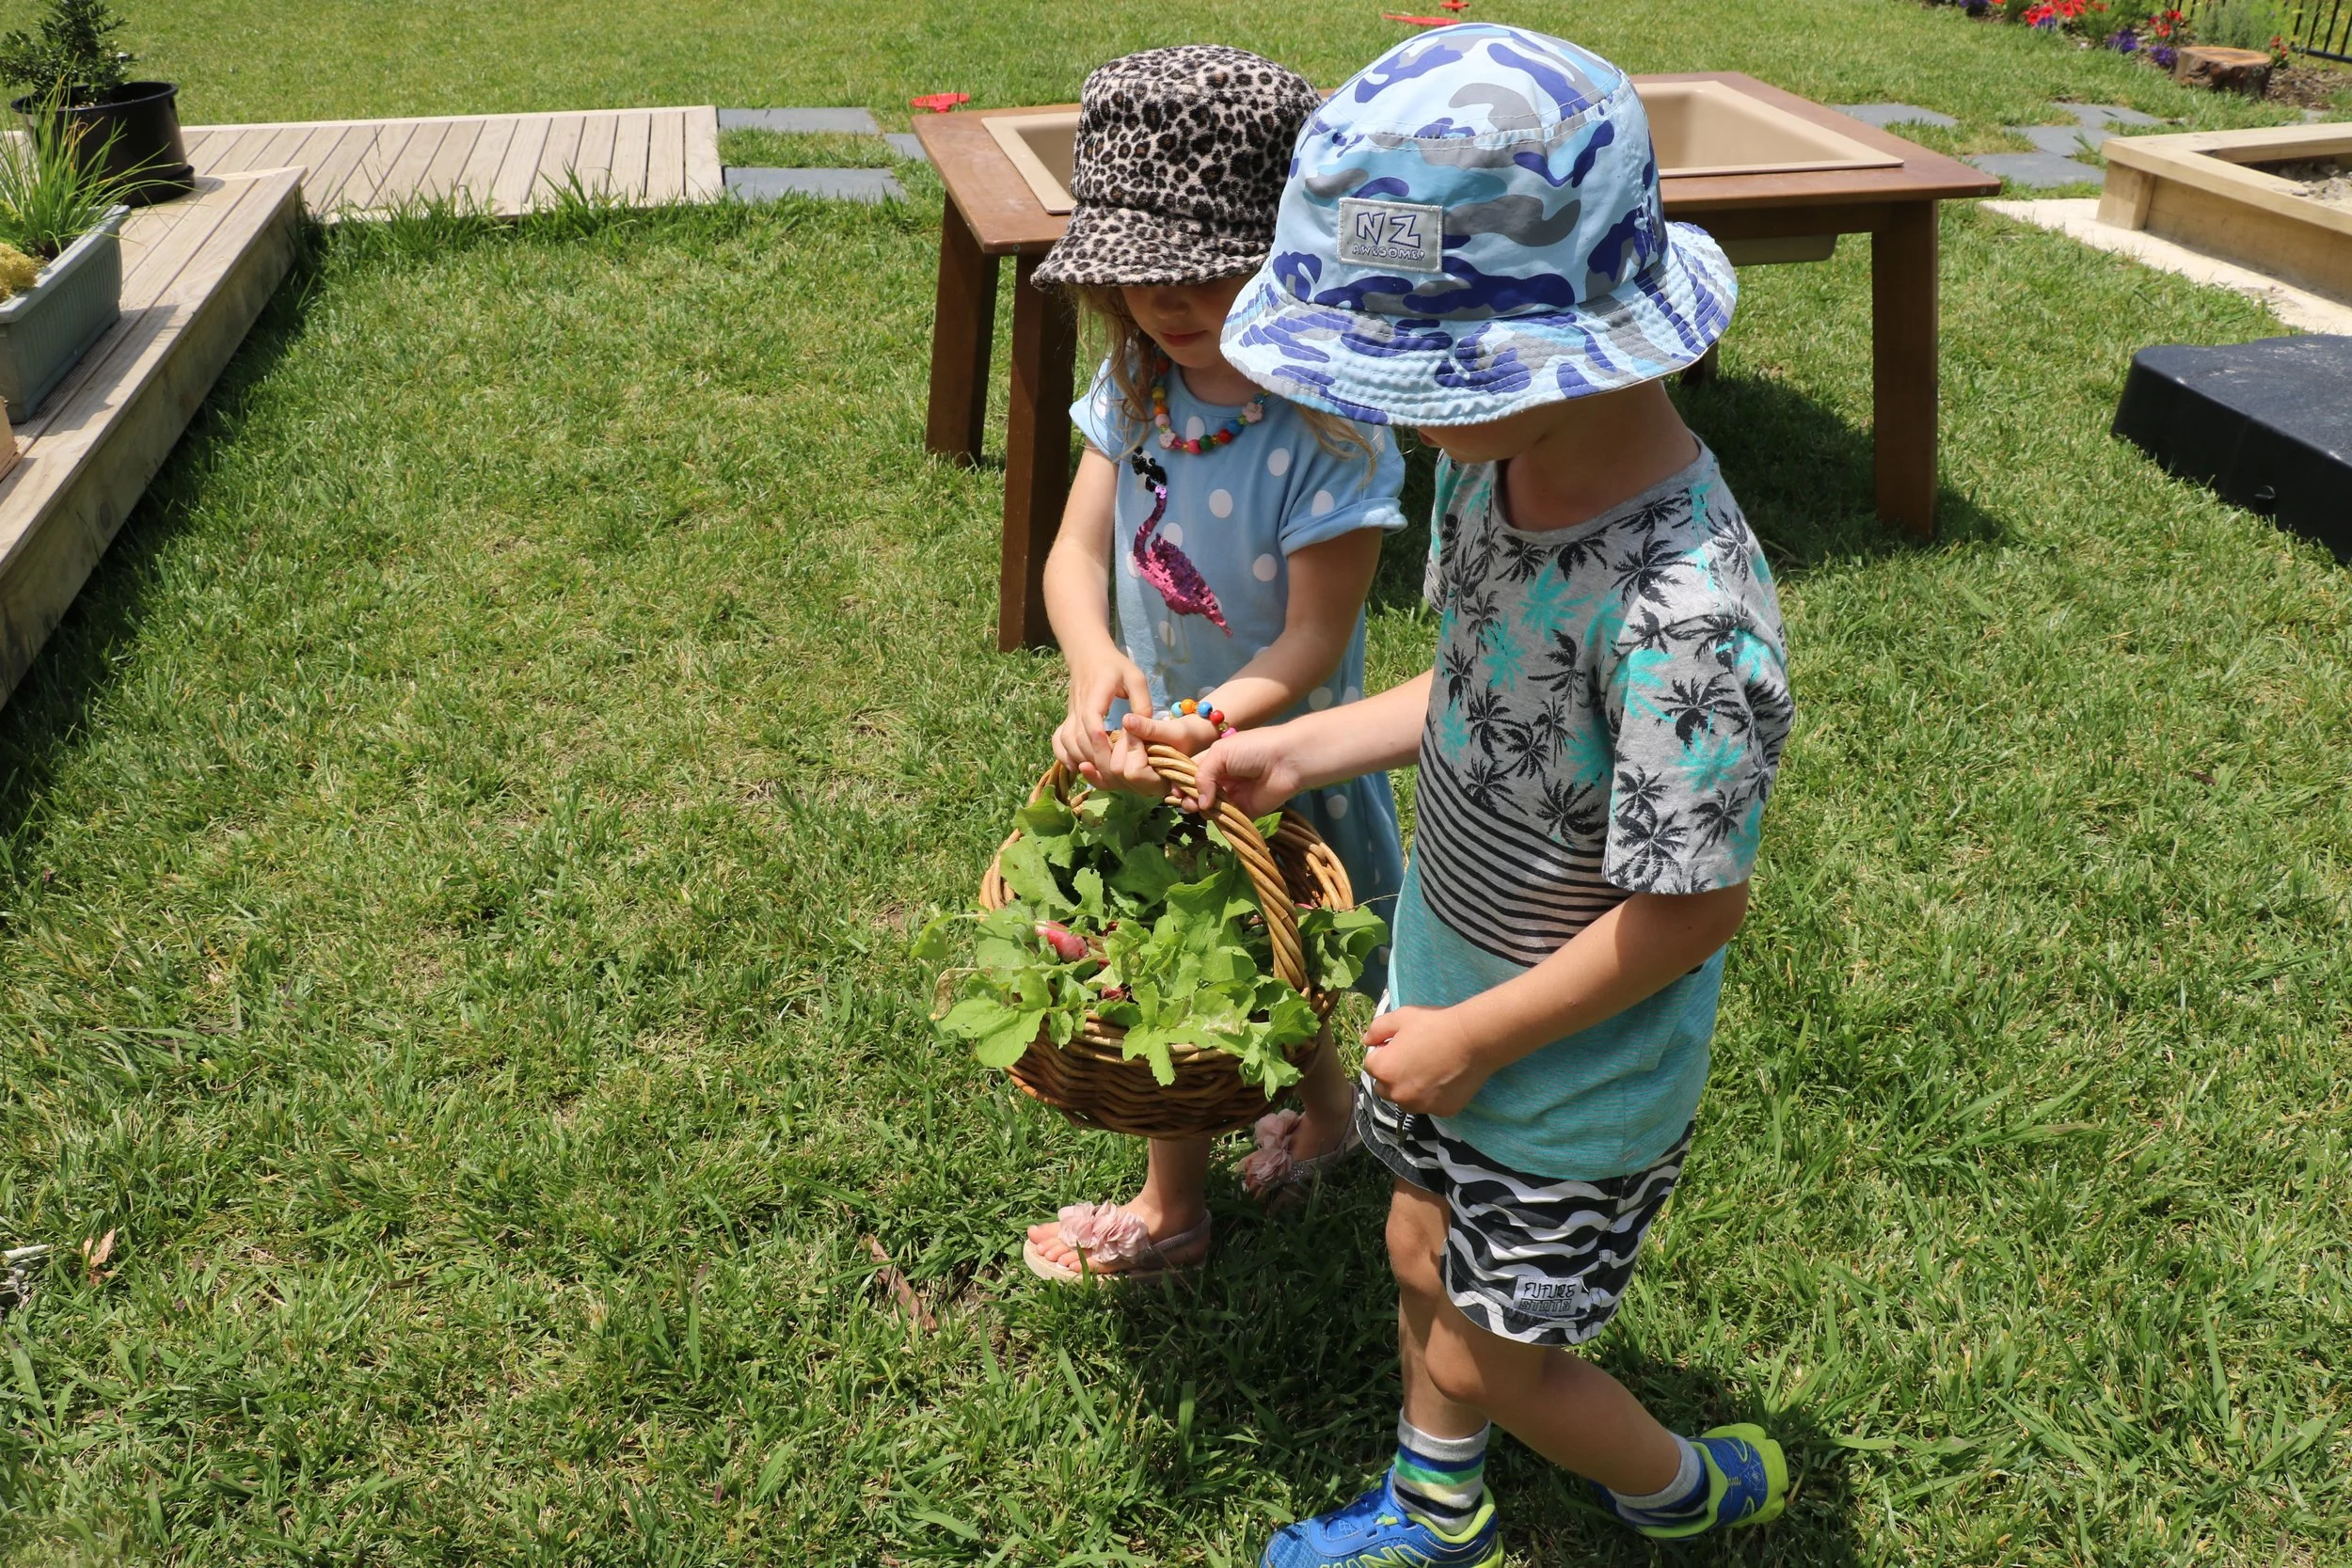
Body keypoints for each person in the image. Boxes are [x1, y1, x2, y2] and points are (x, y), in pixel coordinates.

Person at [1144, 25, 1799, 1561]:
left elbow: (1691, 905)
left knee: (1505, 1349)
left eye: (1422, 378)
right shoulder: (1498, 470)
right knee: (1418, 1253)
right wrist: (1293, 748)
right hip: (1448, 993)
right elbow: (1479, 687)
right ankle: (1436, 1509)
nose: (1392, 413)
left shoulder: (1686, 613)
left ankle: (1680, 1488)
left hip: (1564, 1071)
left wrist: (1473, 1039)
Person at [1020, 44, 1411, 1285]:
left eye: (1207, 268)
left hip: (1275, 755)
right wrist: (1095, 669)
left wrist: (1204, 723)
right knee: (1175, 961)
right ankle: (1214, 1173)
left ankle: (1178, 1208)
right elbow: (1074, 559)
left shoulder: (1330, 433)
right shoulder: (1132, 388)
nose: (1170, 304)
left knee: (1254, 961)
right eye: (1141, 277)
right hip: (1160, 749)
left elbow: (1309, 641)